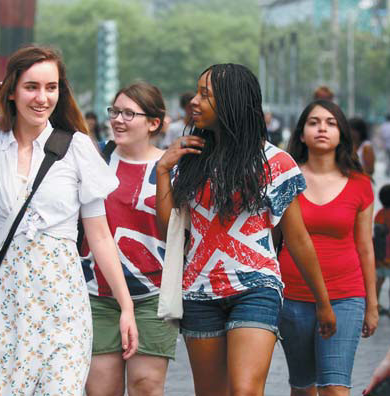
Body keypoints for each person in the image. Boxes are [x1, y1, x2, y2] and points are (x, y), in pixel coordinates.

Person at [0, 45, 138, 395]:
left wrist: (126, 305)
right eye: (31, 87)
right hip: (5, 301)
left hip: (63, 301)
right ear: (12, 90)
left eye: (52, 87)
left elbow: (100, 236)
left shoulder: (75, 147)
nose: (42, 97)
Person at [155, 63, 336, 396]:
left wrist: (322, 302)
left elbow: (297, 239)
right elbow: (169, 230)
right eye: (196, 92)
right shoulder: (191, 156)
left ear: (231, 101)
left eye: (204, 95)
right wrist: (163, 171)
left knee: (245, 390)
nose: (194, 101)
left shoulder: (275, 162)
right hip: (199, 293)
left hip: (257, 288)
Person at [82, 82, 177, 396]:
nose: (118, 120)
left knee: (146, 386)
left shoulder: (173, 168)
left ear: (154, 123)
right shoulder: (95, 162)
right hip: (96, 293)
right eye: (115, 112)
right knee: (101, 390)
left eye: (128, 114)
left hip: (153, 295)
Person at [279, 99, 378, 396]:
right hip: (291, 296)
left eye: (331, 123)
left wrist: (372, 304)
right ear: (301, 134)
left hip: (345, 296)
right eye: (314, 122)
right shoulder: (285, 179)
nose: (322, 128)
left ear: (341, 134)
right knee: (303, 387)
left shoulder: (360, 183)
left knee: (335, 388)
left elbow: (365, 247)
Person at [373, 184, 390, 316]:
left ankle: (376, 304)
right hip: (386, 255)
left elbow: (377, 239)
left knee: (380, 279)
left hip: (380, 256)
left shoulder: (379, 214)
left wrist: (378, 258)